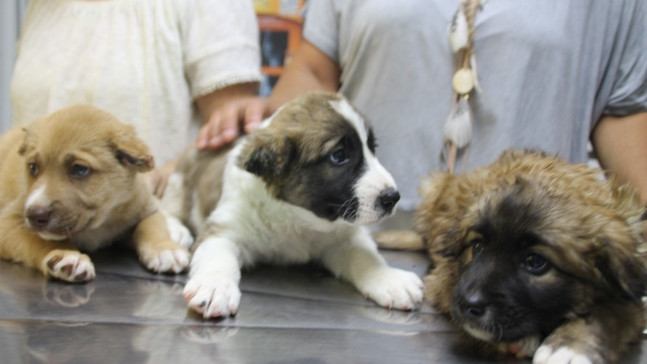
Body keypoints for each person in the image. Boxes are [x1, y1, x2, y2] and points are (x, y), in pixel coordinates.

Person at [197, 0, 647, 229]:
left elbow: (624, 120)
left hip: (526, 269)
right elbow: (316, 70)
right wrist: (270, 122)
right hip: (350, 246)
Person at [10, 0, 262, 197]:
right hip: (35, 235)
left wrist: (158, 185)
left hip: (158, 238)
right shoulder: (43, 6)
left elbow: (231, 132)